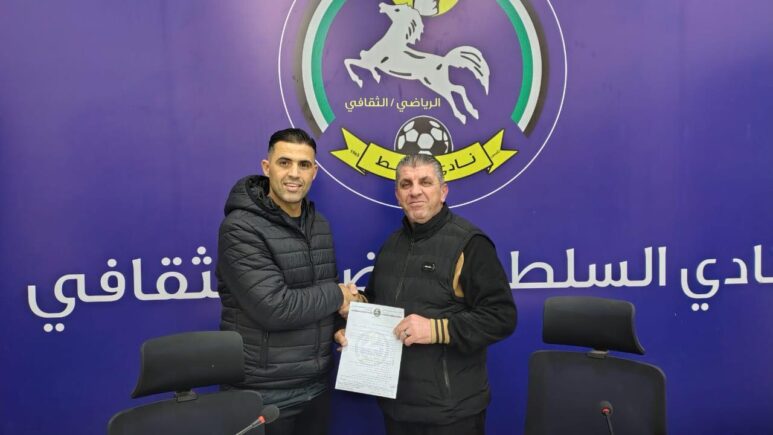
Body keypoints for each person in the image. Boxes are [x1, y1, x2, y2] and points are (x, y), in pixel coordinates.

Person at [336, 153, 517, 435]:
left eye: (425, 182)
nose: (415, 191)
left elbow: (502, 317)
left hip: (452, 413)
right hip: (396, 407)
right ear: (398, 195)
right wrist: (354, 308)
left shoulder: (470, 243)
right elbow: (379, 306)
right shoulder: (391, 245)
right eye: (406, 184)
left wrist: (435, 329)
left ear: (443, 191)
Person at [217, 128, 360, 435]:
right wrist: (338, 295)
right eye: (285, 162)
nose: (294, 174)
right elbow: (274, 308)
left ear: (314, 172)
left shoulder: (319, 224)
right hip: (262, 395)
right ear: (267, 167)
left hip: (315, 388)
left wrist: (339, 326)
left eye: (304, 165)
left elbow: (321, 295)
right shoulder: (239, 228)